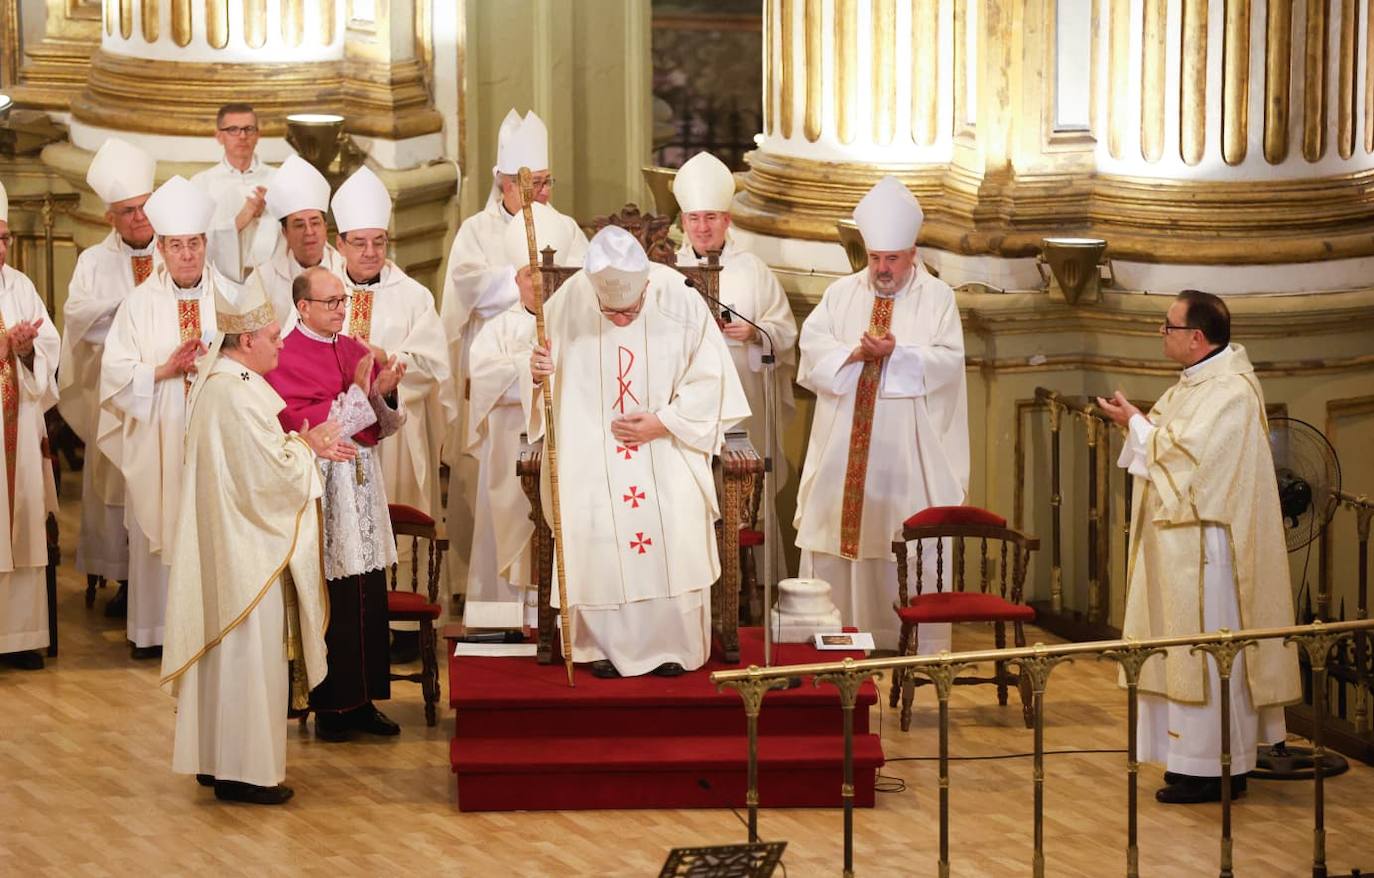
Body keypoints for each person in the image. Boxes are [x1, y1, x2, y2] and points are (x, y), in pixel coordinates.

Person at [1097, 290, 1301, 804]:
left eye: (1168, 326)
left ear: (1196, 337)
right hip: (1180, 548)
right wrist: (1138, 423)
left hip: (1211, 555)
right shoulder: (1194, 383)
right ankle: (1191, 763)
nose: (1160, 334)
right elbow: (1169, 441)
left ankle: (1219, 768)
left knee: (1208, 656)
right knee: (1180, 651)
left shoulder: (1231, 392)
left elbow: (1191, 461)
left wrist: (1136, 424)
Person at [527, 226, 748, 678]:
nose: (622, 320)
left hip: (669, 442)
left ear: (646, 285)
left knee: (679, 515)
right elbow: (537, 373)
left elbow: (712, 381)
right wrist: (535, 371)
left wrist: (663, 422)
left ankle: (672, 645)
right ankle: (598, 645)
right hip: (590, 448)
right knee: (590, 516)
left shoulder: (681, 297)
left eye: (630, 310)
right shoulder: (569, 299)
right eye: (611, 312)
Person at [160, 279, 347, 805]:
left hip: (231, 543)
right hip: (248, 554)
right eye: (272, 336)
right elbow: (270, 478)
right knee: (249, 658)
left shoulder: (221, 384)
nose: (281, 343)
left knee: (226, 658)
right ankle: (244, 772)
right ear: (245, 341)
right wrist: (307, 447)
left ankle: (216, 760)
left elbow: (254, 462)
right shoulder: (236, 394)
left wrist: (296, 443)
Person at [793, 176, 969, 652]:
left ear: (912, 254)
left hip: (906, 449)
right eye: (875, 258)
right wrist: (854, 354)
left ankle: (904, 639)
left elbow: (948, 362)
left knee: (899, 533)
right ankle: (838, 633)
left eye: (892, 259)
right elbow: (812, 347)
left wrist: (897, 354)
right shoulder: (841, 293)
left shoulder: (938, 298)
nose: (882, 269)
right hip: (843, 443)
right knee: (836, 532)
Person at [439, 109, 588, 602]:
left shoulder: (565, 227)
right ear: (504, 183)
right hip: (498, 369)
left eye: (547, 182)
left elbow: (585, 289)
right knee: (494, 493)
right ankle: (490, 602)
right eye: (533, 184)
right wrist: (516, 280)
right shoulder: (476, 231)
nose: (543, 192)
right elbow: (465, 286)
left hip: (559, 371)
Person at [265, 267, 408, 741]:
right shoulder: (284, 356)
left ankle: (364, 701)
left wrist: (383, 390)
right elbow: (302, 424)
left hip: (362, 486)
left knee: (367, 591)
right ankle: (331, 705)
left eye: (343, 301)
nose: (341, 310)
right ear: (303, 306)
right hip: (323, 486)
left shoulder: (352, 349)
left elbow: (380, 426)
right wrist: (359, 394)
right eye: (331, 302)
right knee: (334, 596)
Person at [97, 176, 225, 659]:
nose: (187, 254)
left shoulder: (230, 299)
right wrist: (164, 370)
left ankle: (210, 629)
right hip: (159, 435)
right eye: (176, 245)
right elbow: (115, 371)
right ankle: (154, 630)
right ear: (163, 249)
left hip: (215, 438)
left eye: (194, 244)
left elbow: (258, 363)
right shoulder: (138, 305)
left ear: (205, 244)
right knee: (160, 520)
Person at [330, 166, 454, 661]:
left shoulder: (414, 296)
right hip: (341, 435)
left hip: (396, 434)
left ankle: (403, 628)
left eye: (378, 242)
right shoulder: (320, 293)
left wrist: (388, 360)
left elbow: (433, 364)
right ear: (340, 244)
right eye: (359, 243)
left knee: (398, 515)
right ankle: (348, 625)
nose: (370, 252)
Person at [672, 151, 798, 578]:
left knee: (746, 500)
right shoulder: (668, 272)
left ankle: (752, 589)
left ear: (727, 220)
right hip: (687, 405)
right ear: (683, 222)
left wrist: (756, 333)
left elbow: (784, 330)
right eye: (694, 218)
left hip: (743, 399)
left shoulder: (753, 271)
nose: (702, 227)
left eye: (711, 217)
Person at [57, 138, 157, 617]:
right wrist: (130, 309)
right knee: (115, 483)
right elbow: (79, 317)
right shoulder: (94, 262)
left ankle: (159, 580)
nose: (139, 218)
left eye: (144, 207)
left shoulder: (176, 251)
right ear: (110, 218)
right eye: (127, 211)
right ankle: (124, 578)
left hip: (165, 395)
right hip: (115, 393)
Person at [463, 202, 579, 614]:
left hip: (566, 448)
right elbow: (482, 378)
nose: (540, 282)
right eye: (531, 273)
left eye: (548, 272)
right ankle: (507, 615)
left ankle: (560, 615)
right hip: (511, 446)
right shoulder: (497, 329)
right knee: (510, 527)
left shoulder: (576, 325)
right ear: (516, 278)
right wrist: (525, 370)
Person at [0, 179, 61, 671]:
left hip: (19, 426)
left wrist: (25, 350)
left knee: (22, 524)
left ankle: (19, 637)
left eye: (3, 238)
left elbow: (49, 343)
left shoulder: (20, 285)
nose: (0, 248)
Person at [251, 155, 348, 328]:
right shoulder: (264, 279)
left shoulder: (346, 272)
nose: (309, 232)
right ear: (285, 232)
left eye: (315, 223)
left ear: (325, 228)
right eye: (299, 225)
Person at [190, 102, 278, 283]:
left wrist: (267, 214)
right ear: (219, 136)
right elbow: (192, 242)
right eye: (233, 130)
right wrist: (239, 221)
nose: (242, 136)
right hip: (218, 281)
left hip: (270, 280)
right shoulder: (201, 184)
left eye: (249, 129)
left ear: (258, 135)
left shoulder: (278, 179)